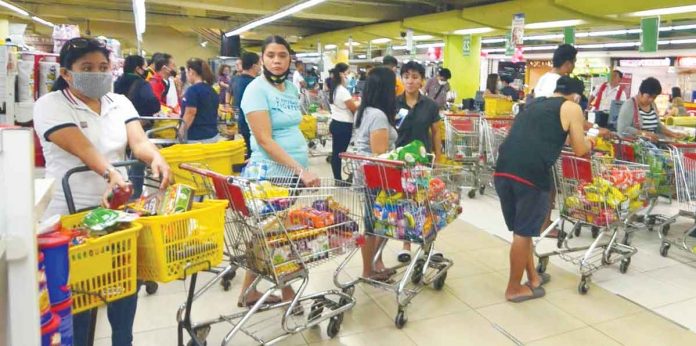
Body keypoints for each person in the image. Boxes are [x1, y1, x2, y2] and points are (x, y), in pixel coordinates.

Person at [34, 37, 171, 346]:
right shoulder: (50, 105)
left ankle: (124, 341)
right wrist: (110, 172)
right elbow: (81, 147)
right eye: (87, 68)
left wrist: (156, 157)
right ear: (67, 73)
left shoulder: (119, 102)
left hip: (117, 215)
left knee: (124, 287)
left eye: (103, 67)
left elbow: (137, 142)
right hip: (73, 218)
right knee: (80, 298)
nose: (97, 73)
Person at [494, 76, 594, 302]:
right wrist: (593, 141)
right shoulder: (572, 107)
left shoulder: (534, 104)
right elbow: (579, 148)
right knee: (523, 232)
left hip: (503, 170)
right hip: (531, 175)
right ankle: (513, 288)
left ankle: (533, 278)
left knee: (523, 231)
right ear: (577, 96)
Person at [238, 35, 321, 307]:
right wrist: (300, 169)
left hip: (292, 174)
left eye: (282, 55)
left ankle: (251, 291)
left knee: (273, 234)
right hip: (270, 175)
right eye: (271, 55)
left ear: (289, 59)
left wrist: (300, 169)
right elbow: (264, 139)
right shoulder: (255, 89)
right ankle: (286, 292)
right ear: (262, 58)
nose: (276, 60)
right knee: (276, 235)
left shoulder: (289, 88)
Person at [395, 61, 443, 263]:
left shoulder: (430, 105)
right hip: (399, 160)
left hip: (422, 160)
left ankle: (426, 243)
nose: (410, 81)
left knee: (423, 202)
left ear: (422, 80)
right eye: (406, 76)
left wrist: (438, 158)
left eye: (415, 77)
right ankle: (406, 244)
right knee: (403, 202)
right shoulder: (394, 103)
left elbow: (436, 131)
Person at [353, 66, 399, 281]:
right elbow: (380, 153)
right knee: (373, 224)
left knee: (376, 222)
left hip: (367, 174)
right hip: (375, 176)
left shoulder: (366, 110)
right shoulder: (379, 115)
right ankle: (367, 271)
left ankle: (374, 264)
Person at [114, 55, 162, 198]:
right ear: (138, 69)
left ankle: (121, 188)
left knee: (122, 158)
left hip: (119, 125)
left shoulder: (117, 82)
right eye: (144, 67)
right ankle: (134, 194)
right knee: (137, 162)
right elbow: (154, 104)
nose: (146, 70)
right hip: (139, 126)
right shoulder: (142, 84)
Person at [617, 78, 685, 141]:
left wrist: (673, 134)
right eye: (649, 96)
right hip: (634, 147)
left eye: (654, 97)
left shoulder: (653, 105)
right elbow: (622, 129)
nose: (651, 100)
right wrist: (643, 134)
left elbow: (658, 126)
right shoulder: (629, 105)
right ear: (640, 93)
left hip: (651, 147)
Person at [328, 62, 358, 181]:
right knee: (339, 154)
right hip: (343, 125)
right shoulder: (342, 91)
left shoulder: (335, 89)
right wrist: (360, 104)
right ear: (341, 74)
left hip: (336, 123)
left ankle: (338, 178)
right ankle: (338, 179)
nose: (348, 76)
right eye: (347, 73)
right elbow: (353, 108)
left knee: (337, 153)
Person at [179, 58, 220, 143]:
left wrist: (180, 133)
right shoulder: (211, 90)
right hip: (213, 135)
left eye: (187, 72)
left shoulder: (192, 90)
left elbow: (190, 113)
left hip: (197, 138)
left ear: (191, 71)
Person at [233, 52, 261, 160]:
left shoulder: (238, 80)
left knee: (251, 154)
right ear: (254, 66)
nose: (260, 67)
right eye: (259, 64)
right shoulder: (253, 84)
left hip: (243, 123)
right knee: (255, 156)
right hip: (251, 126)